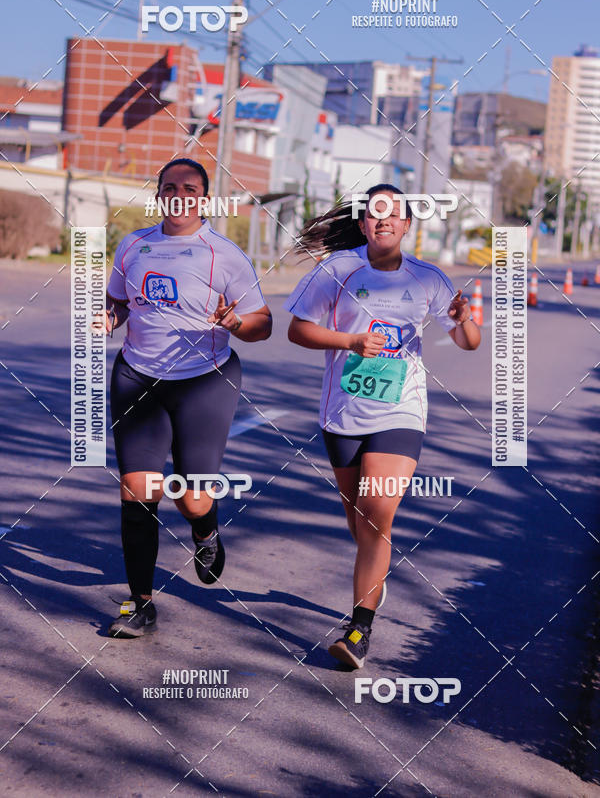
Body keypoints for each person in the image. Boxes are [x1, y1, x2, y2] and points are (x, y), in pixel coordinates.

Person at [284, 184, 480, 668]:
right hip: (343, 415)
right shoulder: (337, 270)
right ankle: (375, 578)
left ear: (408, 223)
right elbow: (298, 330)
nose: (384, 220)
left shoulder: (429, 279)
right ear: (365, 222)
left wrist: (465, 319)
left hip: (401, 413)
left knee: (376, 515)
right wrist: (349, 341)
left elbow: (468, 341)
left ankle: (358, 629)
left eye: (394, 213)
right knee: (360, 522)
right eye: (375, 214)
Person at [105, 158, 272, 637]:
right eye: (170, 187)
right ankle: (140, 604)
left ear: (204, 197)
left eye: (191, 187)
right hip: (138, 376)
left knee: (192, 496)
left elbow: (263, 325)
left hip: (205, 380)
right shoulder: (134, 245)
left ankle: (205, 530)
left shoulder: (225, 255)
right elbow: (118, 300)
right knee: (138, 490)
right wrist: (111, 317)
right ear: (159, 195)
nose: (180, 194)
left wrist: (235, 323)